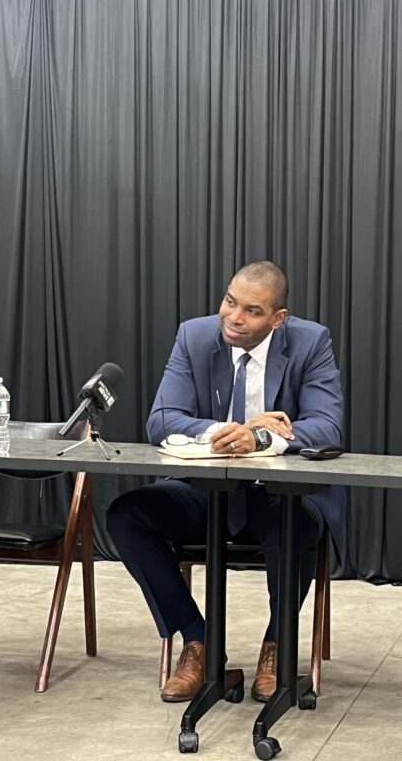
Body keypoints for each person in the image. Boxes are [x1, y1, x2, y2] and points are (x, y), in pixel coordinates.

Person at [107, 261, 345, 703]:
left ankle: (277, 646)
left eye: (252, 311)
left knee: (298, 525)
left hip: (276, 493)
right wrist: (226, 430)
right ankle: (199, 644)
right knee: (129, 515)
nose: (234, 318)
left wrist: (259, 437)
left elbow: (327, 427)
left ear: (278, 318)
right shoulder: (195, 336)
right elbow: (160, 420)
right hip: (204, 492)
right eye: (229, 302)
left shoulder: (311, 342)